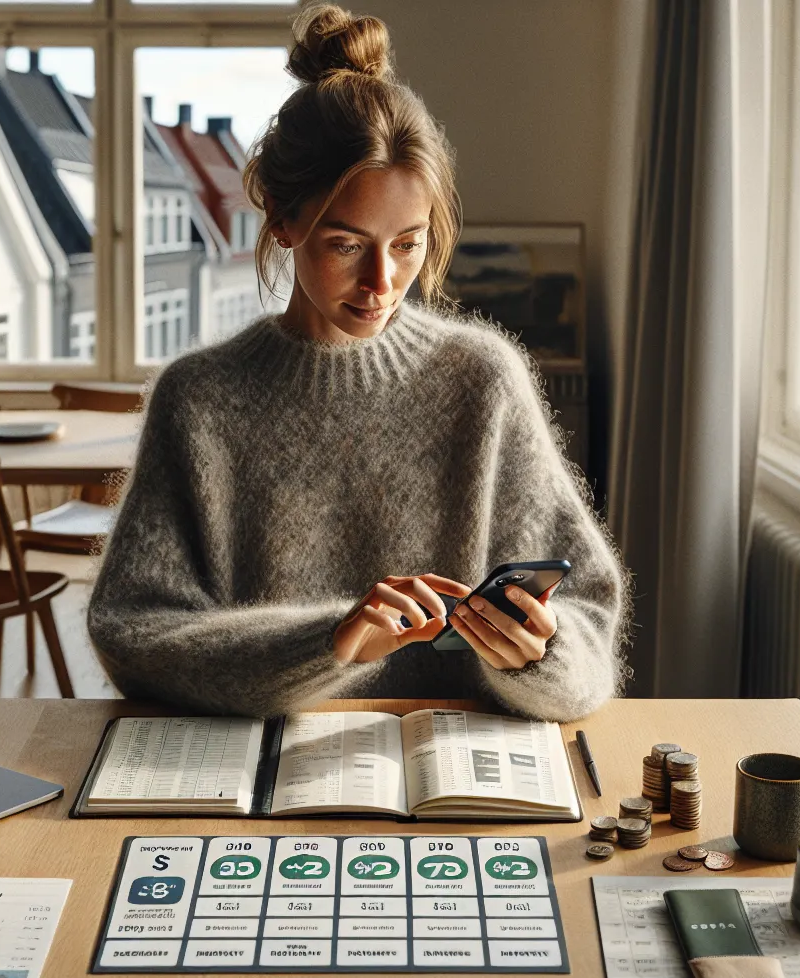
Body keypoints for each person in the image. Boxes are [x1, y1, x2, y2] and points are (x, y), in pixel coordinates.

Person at [87, 3, 629, 721]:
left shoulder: (482, 381)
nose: (381, 283)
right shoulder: (199, 400)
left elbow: (589, 617)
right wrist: (329, 644)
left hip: (457, 793)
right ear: (282, 219)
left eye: (407, 243)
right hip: (256, 789)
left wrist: (544, 652)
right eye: (346, 245)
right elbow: (132, 632)